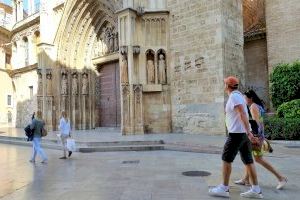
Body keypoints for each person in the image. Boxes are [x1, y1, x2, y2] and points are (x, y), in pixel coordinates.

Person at [209, 76, 263, 199]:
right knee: (248, 160)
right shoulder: (238, 96)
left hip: (237, 134)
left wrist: (249, 133)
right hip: (242, 133)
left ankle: (224, 188)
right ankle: (256, 189)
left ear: (227, 85)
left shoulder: (234, 96)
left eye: (224, 84)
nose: (223, 86)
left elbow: (242, 113)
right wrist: (248, 132)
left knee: (226, 158)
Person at [234, 89, 287, 190]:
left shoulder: (253, 106)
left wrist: (256, 137)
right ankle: (246, 179)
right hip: (259, 136)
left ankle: (281, 178)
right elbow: (261, 123)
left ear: (250, 98)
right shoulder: (259, 106)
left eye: (245, 98)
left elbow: (257, 123)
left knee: (258, 159)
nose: (244, 99)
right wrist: (262, 136)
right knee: (249, 157)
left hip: (255, 137)